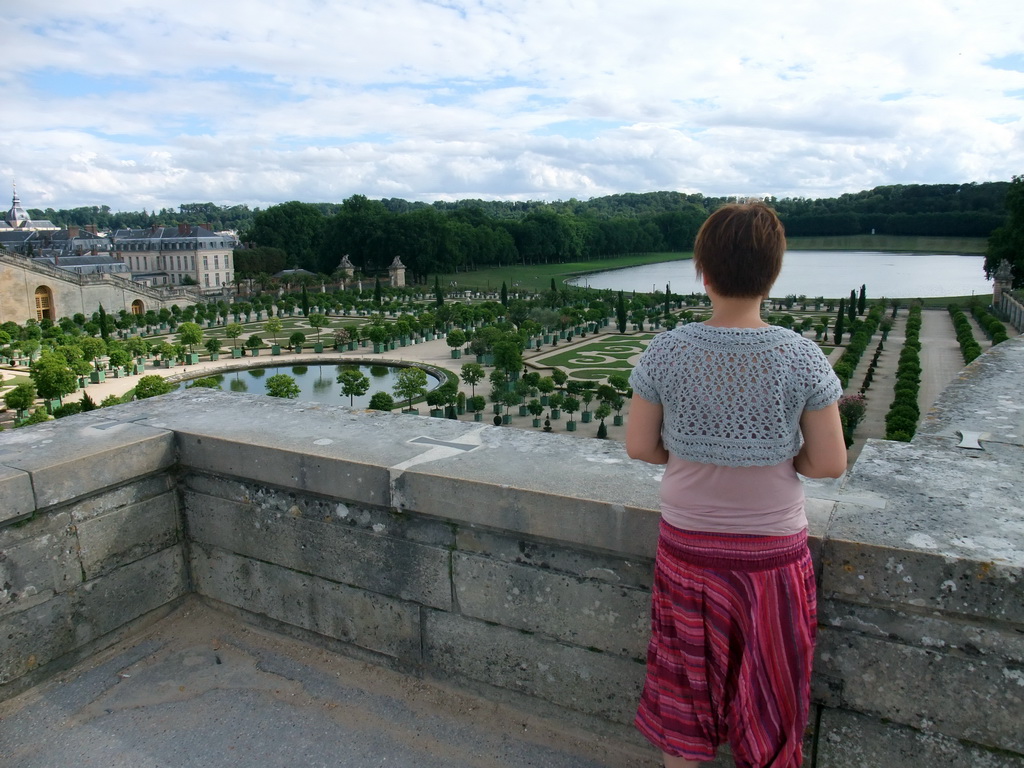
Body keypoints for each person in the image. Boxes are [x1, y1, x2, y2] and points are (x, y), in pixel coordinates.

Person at [625, 201, 846, 768]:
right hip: (771, 555)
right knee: (770, 705)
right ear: (773, 274)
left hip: (689, 549)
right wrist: (782, 459)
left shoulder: (667, 350)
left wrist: (691, 451)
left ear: (702, 270)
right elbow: (829, 464)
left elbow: (640, 447)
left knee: (685, 705)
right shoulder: (802, 356)